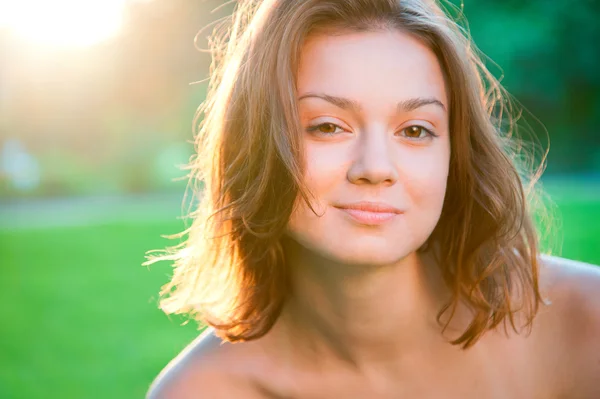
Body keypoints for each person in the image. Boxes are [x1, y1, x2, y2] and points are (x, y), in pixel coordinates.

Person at [146, 0, 600, 397]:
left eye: (416, 130)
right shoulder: (200, 391)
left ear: (455, 157)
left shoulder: (585, 324)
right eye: (327, 126)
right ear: (256, 141)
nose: (375, 167)